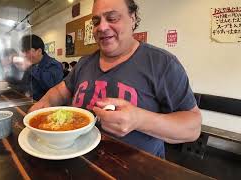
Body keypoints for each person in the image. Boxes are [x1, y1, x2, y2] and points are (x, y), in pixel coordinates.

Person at [29, 0, 201, 158]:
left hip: (137, 168)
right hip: (80, 160)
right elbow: (60, 90)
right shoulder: (84, 63)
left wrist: (138, 119)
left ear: (132, 18)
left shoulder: (162, 63)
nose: (102, 27)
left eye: (112, 18)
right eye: (96, 21)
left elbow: (193, 127)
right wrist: (46, 102)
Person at [20, 34, 64, 101]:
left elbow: (51, 85)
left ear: (39, 51)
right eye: (24, 52)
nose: (25, 55)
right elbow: (24, 84)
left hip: (48, 106)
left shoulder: (54, 64)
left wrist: (31, 67)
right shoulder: (32, 65)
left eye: (28, 52)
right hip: (30, 102)